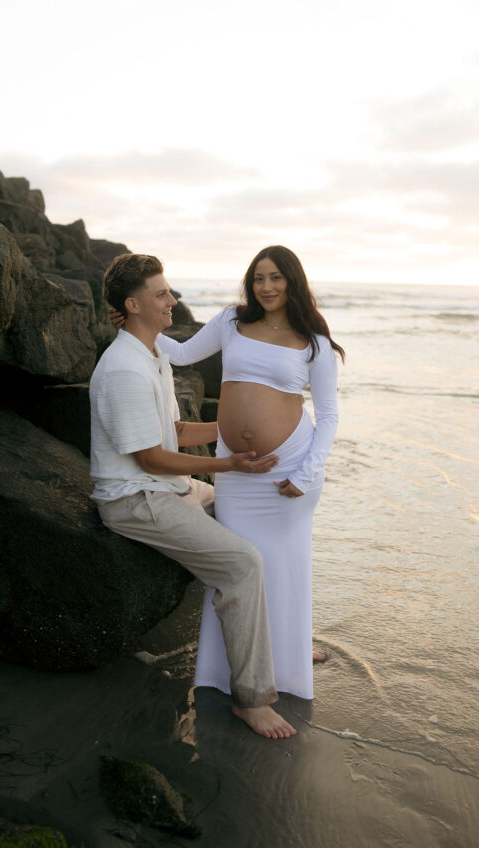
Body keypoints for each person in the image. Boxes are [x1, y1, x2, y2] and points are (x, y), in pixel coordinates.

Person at [89, 252, 298, 738]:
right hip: (136, 499)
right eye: (162, 294)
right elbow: (152, 458)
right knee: (242, 561)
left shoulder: (153, 354)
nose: (173, 301)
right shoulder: (122, 368)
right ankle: (252, 698)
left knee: (251, 509)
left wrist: (241, 435)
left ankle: (280, 636)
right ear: (133, 304)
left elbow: (175, 430)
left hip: (168, 486)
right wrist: (226, 463)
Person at [156, 246, 344, 700]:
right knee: (237, 563)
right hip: (237, 471)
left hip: (290, 468)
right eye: (258, 278)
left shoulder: (314, 341)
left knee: (283, 565)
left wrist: (307, 474)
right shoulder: (231, 322)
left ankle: (290, 653)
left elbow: (330, 416)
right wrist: (139, 327)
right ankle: (226, 669)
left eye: (276, 277)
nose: (266, 287)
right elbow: (180, 355)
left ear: (292, 281)